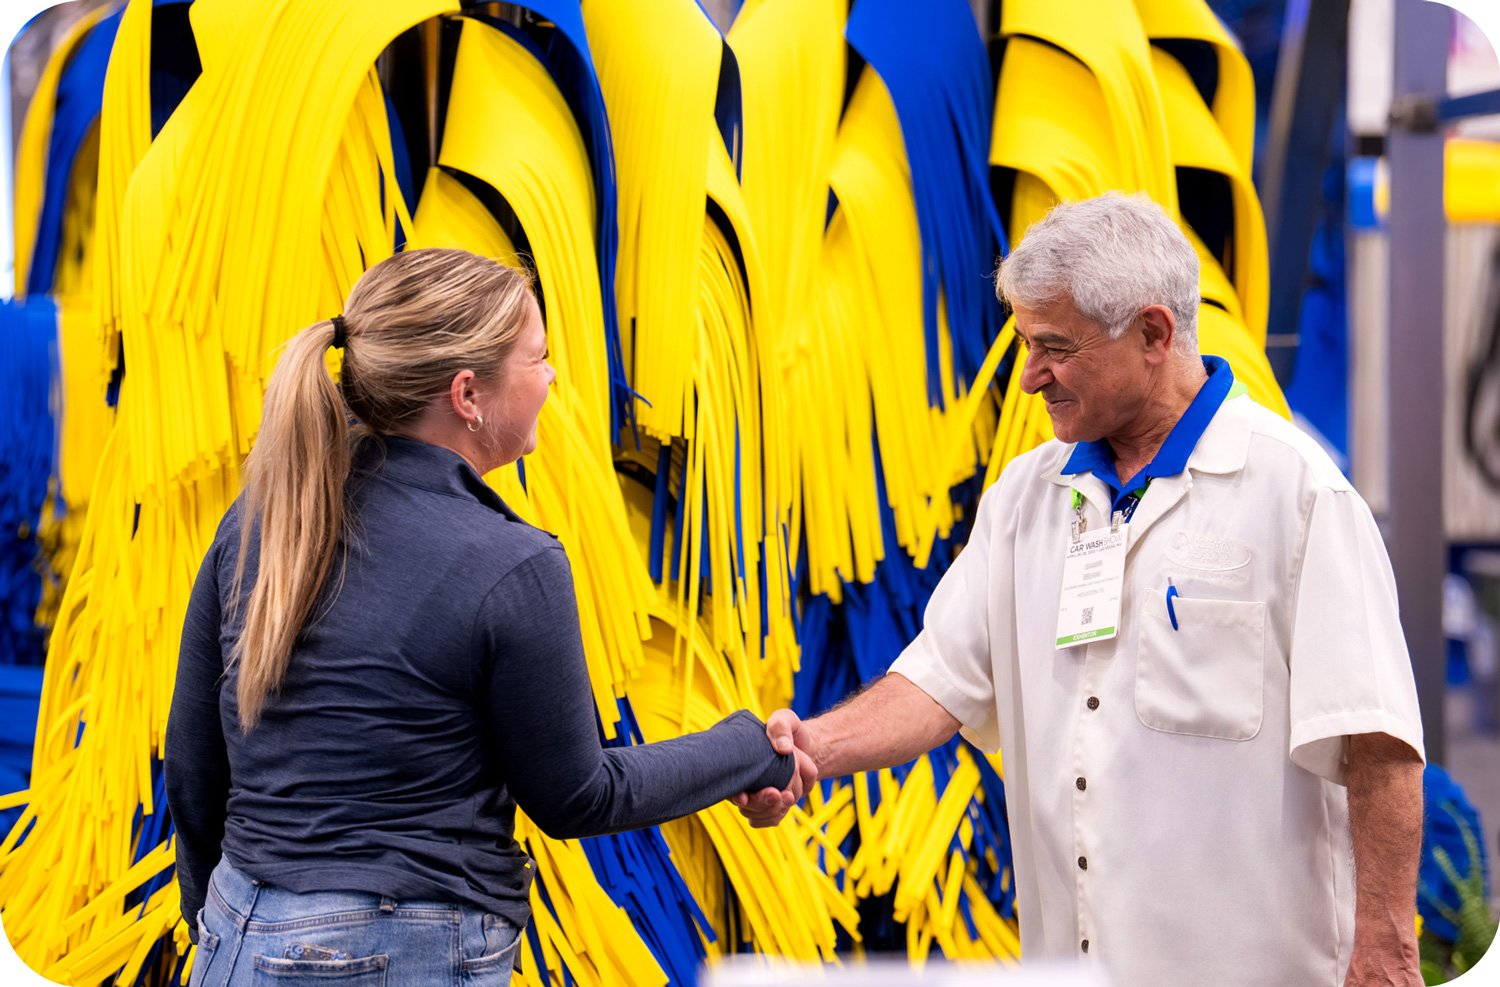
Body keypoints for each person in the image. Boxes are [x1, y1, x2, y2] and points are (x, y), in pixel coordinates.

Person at [736, 193, 1427, 987]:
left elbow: (1377, 744)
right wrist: (811, 750)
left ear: (1154, 334)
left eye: (1055, 347)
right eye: (1028, 344)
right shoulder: (1026, 499)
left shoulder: (1297, 495)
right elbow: (938, 681)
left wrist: (1385, 945)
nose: (1030, 376)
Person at [165, 248, 811, 986]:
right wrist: (748, 746)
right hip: (395, 949)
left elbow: (192, 764)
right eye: (537, 358)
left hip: (236, 930)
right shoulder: (512, 563)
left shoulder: (260, 523)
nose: (552, 376)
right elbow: (576, 794)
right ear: (468, 394)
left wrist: (219, 920)